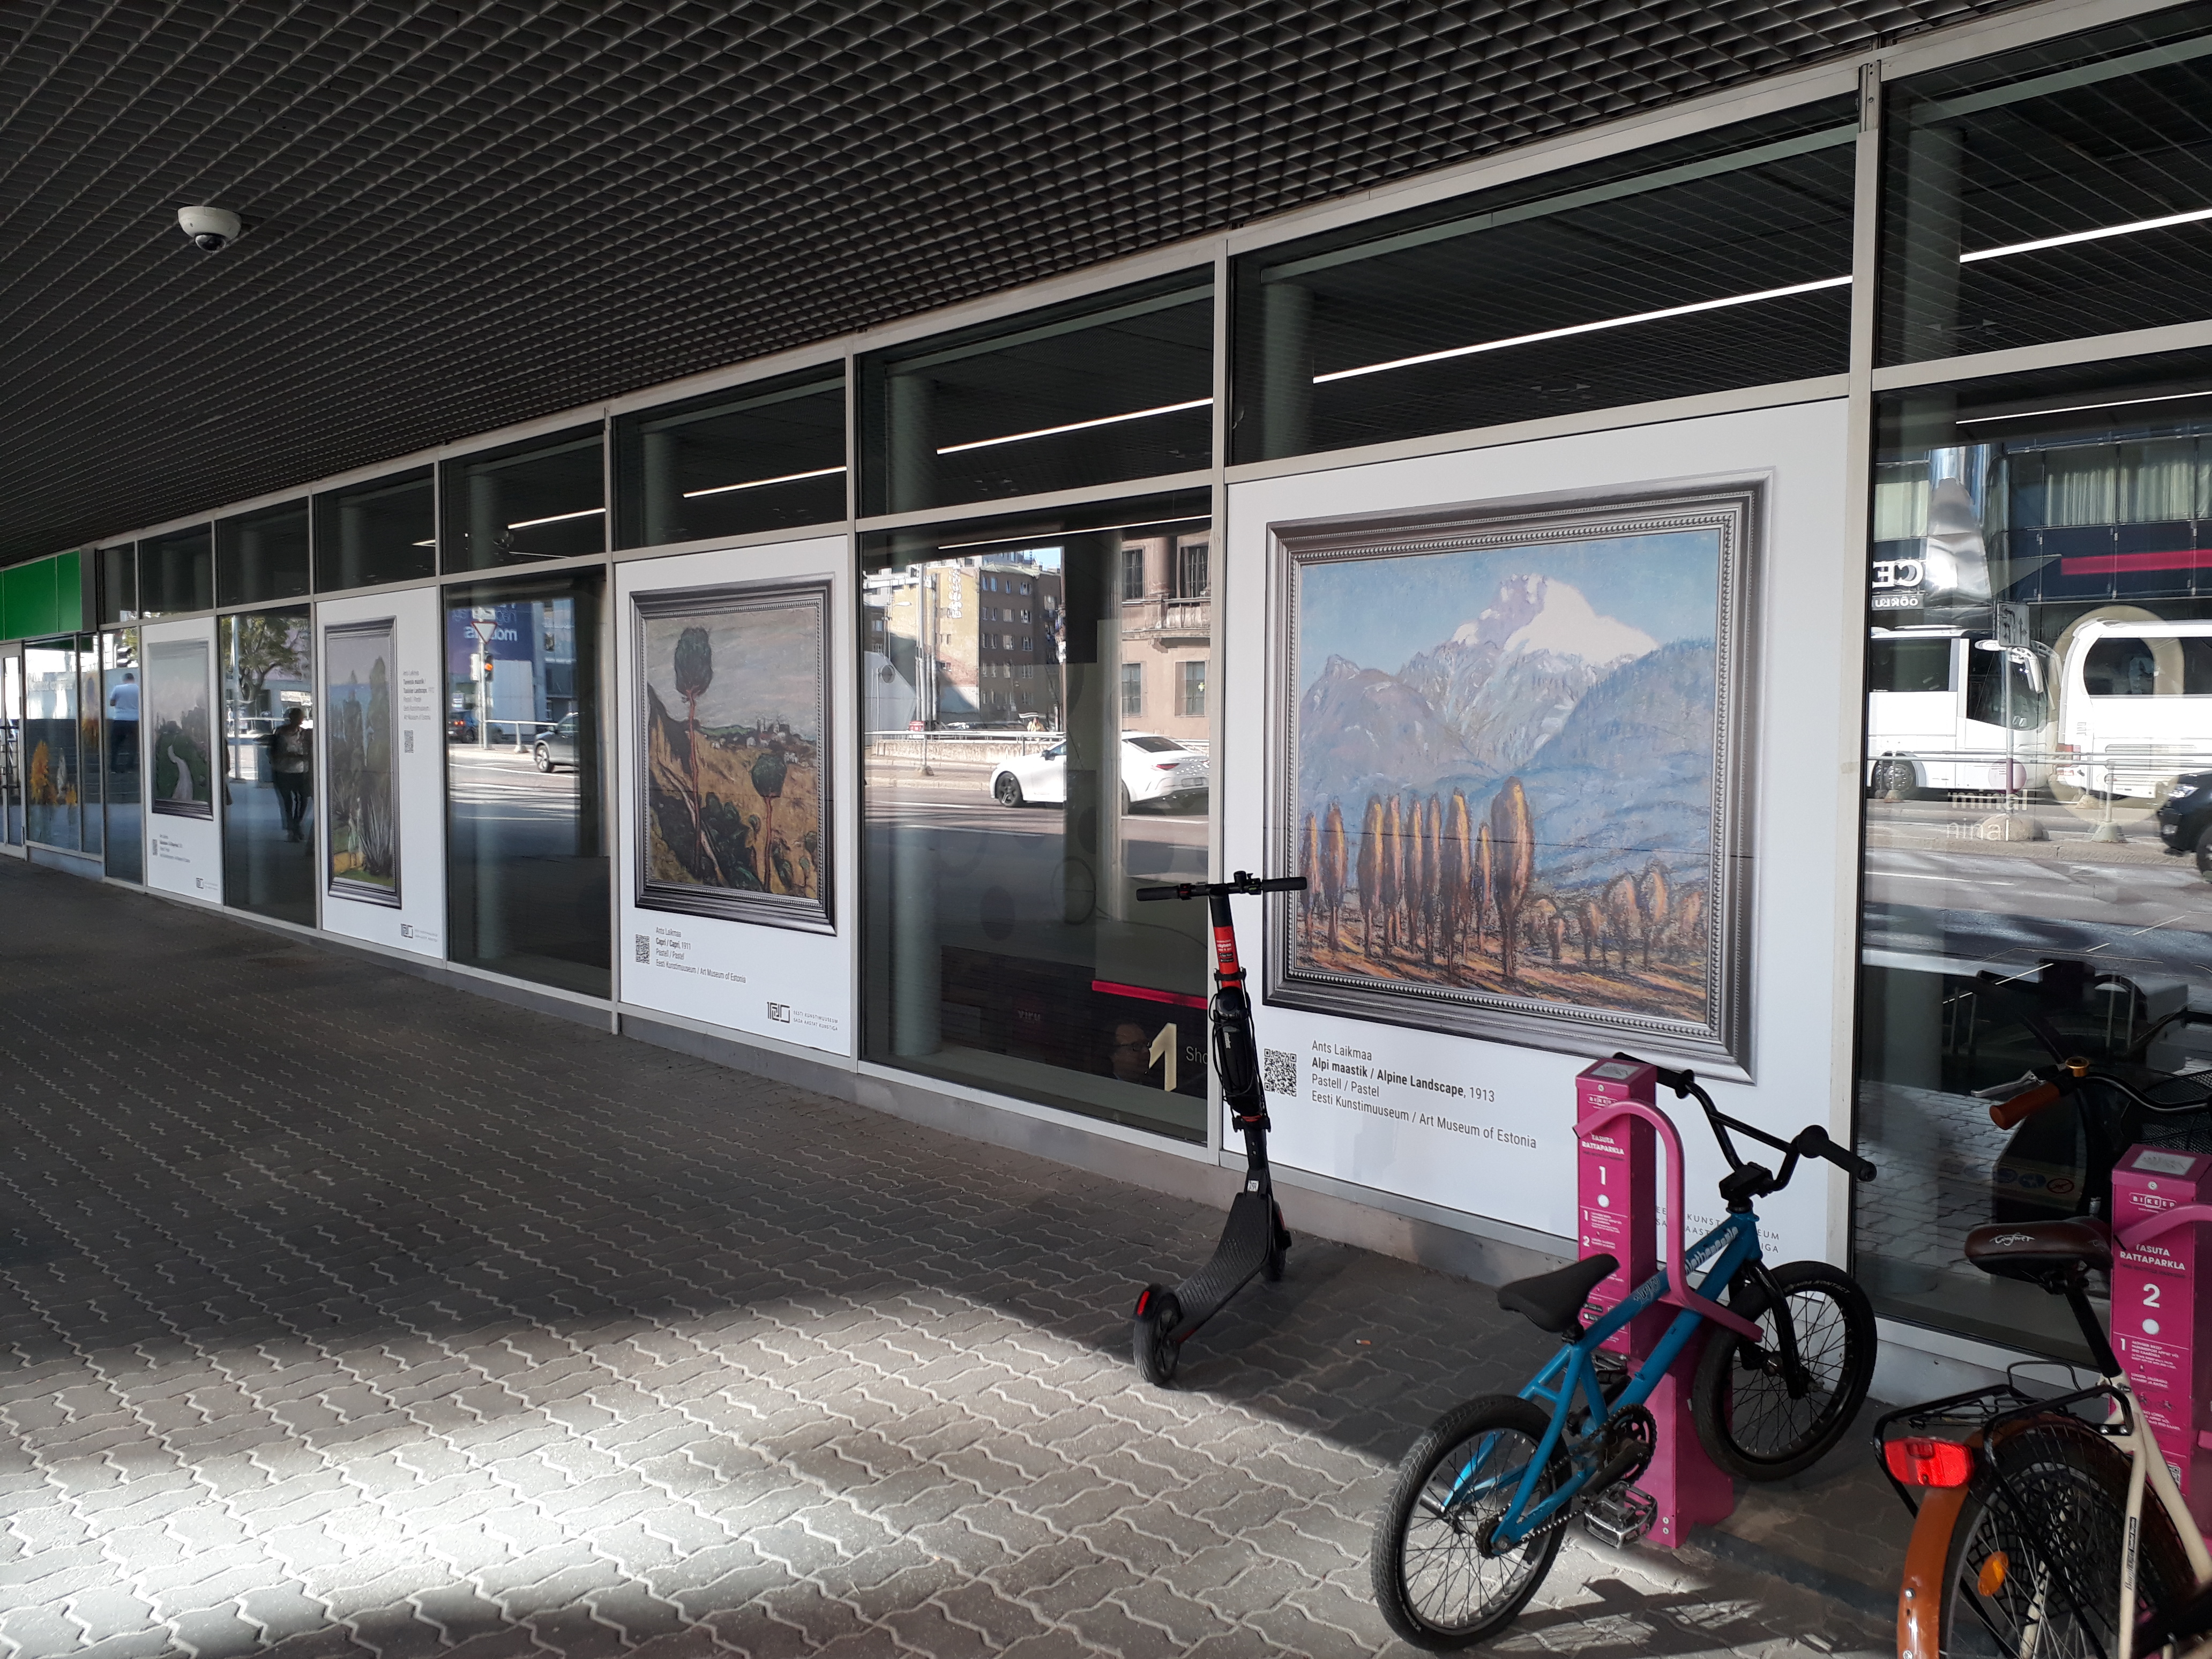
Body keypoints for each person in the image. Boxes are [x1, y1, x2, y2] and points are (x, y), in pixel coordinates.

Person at [264, 706, 312, 842]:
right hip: (283, 771)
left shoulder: (304, 734)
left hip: (301, 771)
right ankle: (292, 828)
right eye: (297, 718)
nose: (299, 721)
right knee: (287, 801)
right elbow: (273, 752)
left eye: (301, 718)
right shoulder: (280, 733)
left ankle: (296, 825)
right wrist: (288, 756)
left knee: (303, 799)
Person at [107, 671, 137, 771]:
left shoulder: (118, 688)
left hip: (120, 719)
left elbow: (112, 703)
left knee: (115, 744)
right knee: (133, 744)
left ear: (124, 680)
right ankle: (130, 765)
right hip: (134, 720)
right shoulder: (139, 689)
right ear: (133, 679)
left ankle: (114, 766)